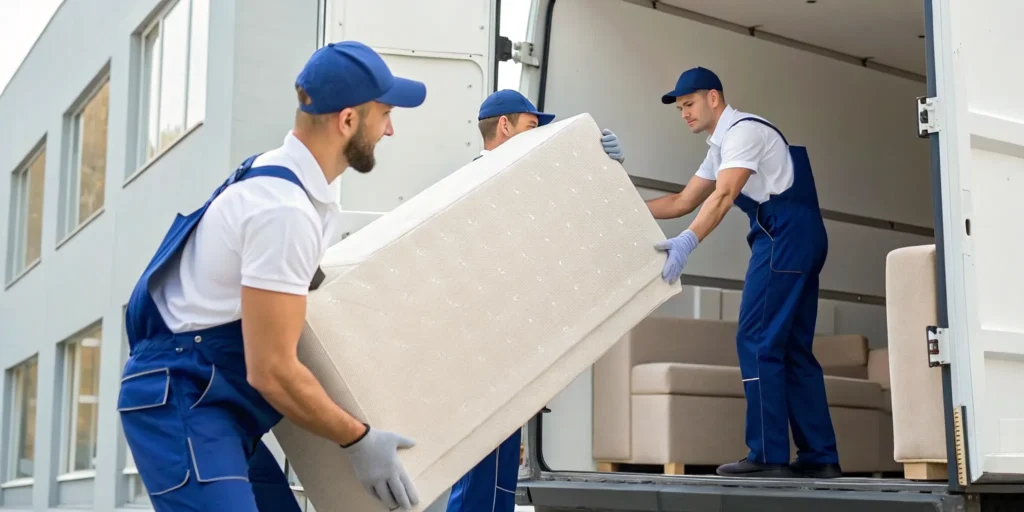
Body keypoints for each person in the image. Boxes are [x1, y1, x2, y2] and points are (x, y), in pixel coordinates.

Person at [117, 41, 427, 511]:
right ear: (347, 120)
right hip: (182, 397)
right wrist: (358, 439)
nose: (391, 129)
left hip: (215, 400)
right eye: (383, 114)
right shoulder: (282, 211)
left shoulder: (289, 180)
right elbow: (272, 371)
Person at [646, 67, 841, 479]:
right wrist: (623, 207)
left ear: (713, 98)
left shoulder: (743, 132)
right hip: (796, 234)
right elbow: (683, 200)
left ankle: (768, 455)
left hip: (784, 236)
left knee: (757, 338)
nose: (684, 113)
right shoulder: (721, 145)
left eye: (690, 104)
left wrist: (687, 242)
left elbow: (724, 194)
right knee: (791, 348)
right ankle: (820, 457)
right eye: (680, 108)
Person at [444, 88, 625, 512]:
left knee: (500, 475)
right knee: (482, 477)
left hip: (507, 347)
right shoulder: (478, 182)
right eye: (531, 125)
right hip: (485, 350)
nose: (538, 134)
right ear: (504, 126)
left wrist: (606, 167)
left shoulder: (519, 182)